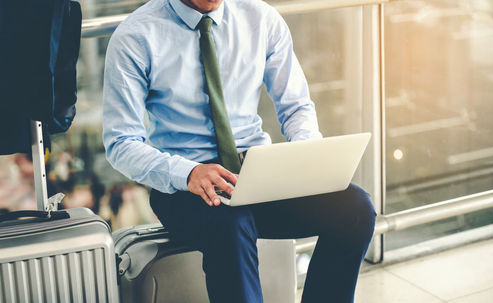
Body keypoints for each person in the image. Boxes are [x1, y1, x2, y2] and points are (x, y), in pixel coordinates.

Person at [102, 0, 376, 302]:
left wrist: (304, 154)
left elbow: (296, 106)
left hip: (257, 172)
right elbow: (121, 142)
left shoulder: (261, 18)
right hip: (184, 186)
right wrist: (188, 172)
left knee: (356, 208)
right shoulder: (135, 35)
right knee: (232, 224)